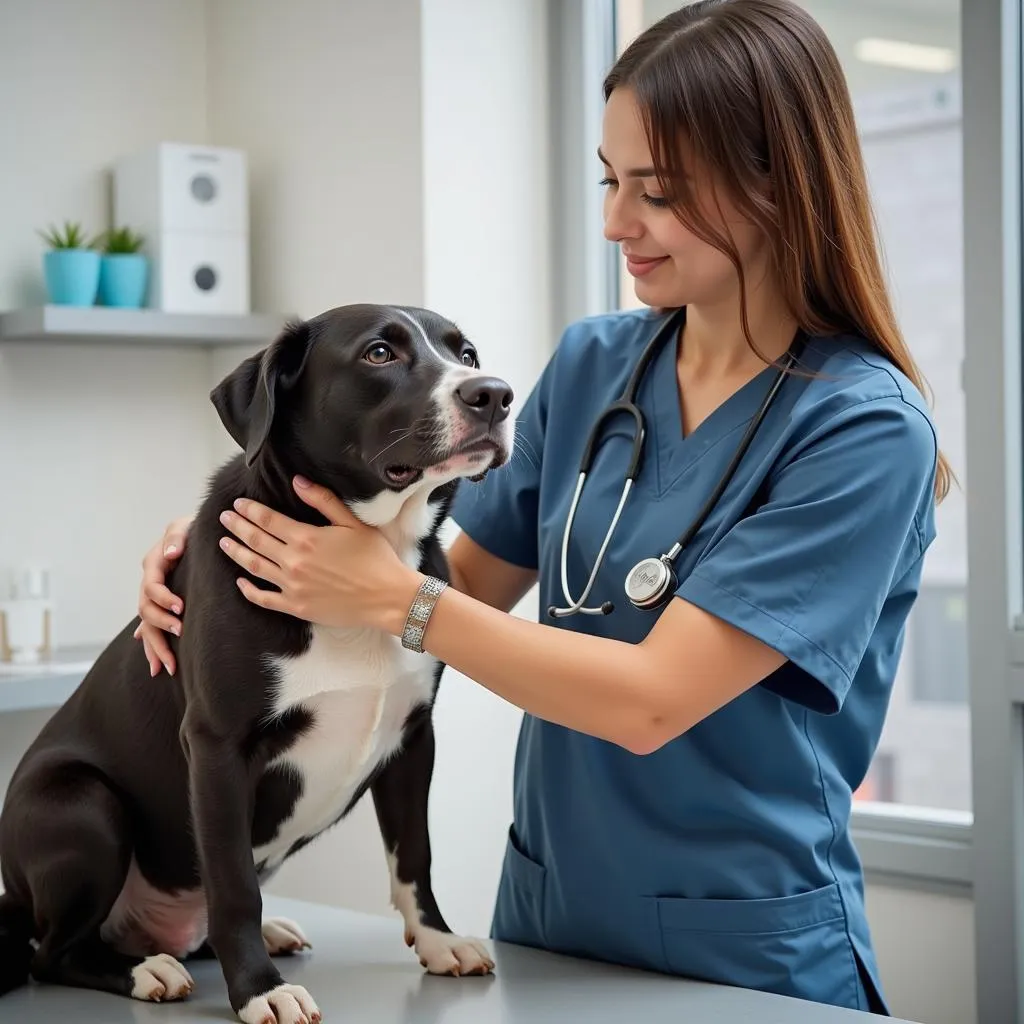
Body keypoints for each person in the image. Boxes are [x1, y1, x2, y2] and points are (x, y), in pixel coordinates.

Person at [134, 0, 950, 1013]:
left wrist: (395, 600)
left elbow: (648, 698)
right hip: (548, 911)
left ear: (773, 181)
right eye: (611, 183)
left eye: (656, 192)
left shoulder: (861, 430)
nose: (615, 223)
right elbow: (457, 585)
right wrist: (245, 565)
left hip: (744, 941)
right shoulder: (597, 364)